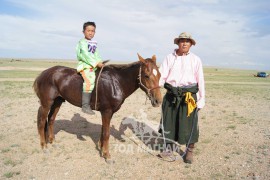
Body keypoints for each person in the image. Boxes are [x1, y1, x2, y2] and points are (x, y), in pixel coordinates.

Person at [159, 32, 205, 164]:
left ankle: (189, 151)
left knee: (189, 124)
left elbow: (200, 80)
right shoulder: (169, 58)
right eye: (182, 41)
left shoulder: (196, 59)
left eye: (187, 41)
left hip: (188, 96)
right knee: (169, 122)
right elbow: (161, 76)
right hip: (171, 95)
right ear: (178, 43)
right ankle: (169, 149)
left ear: (191, 44)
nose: (184, 43)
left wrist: (201, 100)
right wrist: (155, 88)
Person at [76, 21, 104, 115]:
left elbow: (96, 54)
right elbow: (86, 55)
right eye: (88, 30)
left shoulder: (93, 43)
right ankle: (85, 106)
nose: (90, 32)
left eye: (93, 31)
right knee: (89, 81)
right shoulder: (82, 42)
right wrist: (96, 63)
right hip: (86, 65)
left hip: (94, 65)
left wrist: (100, 61)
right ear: (83, 31)